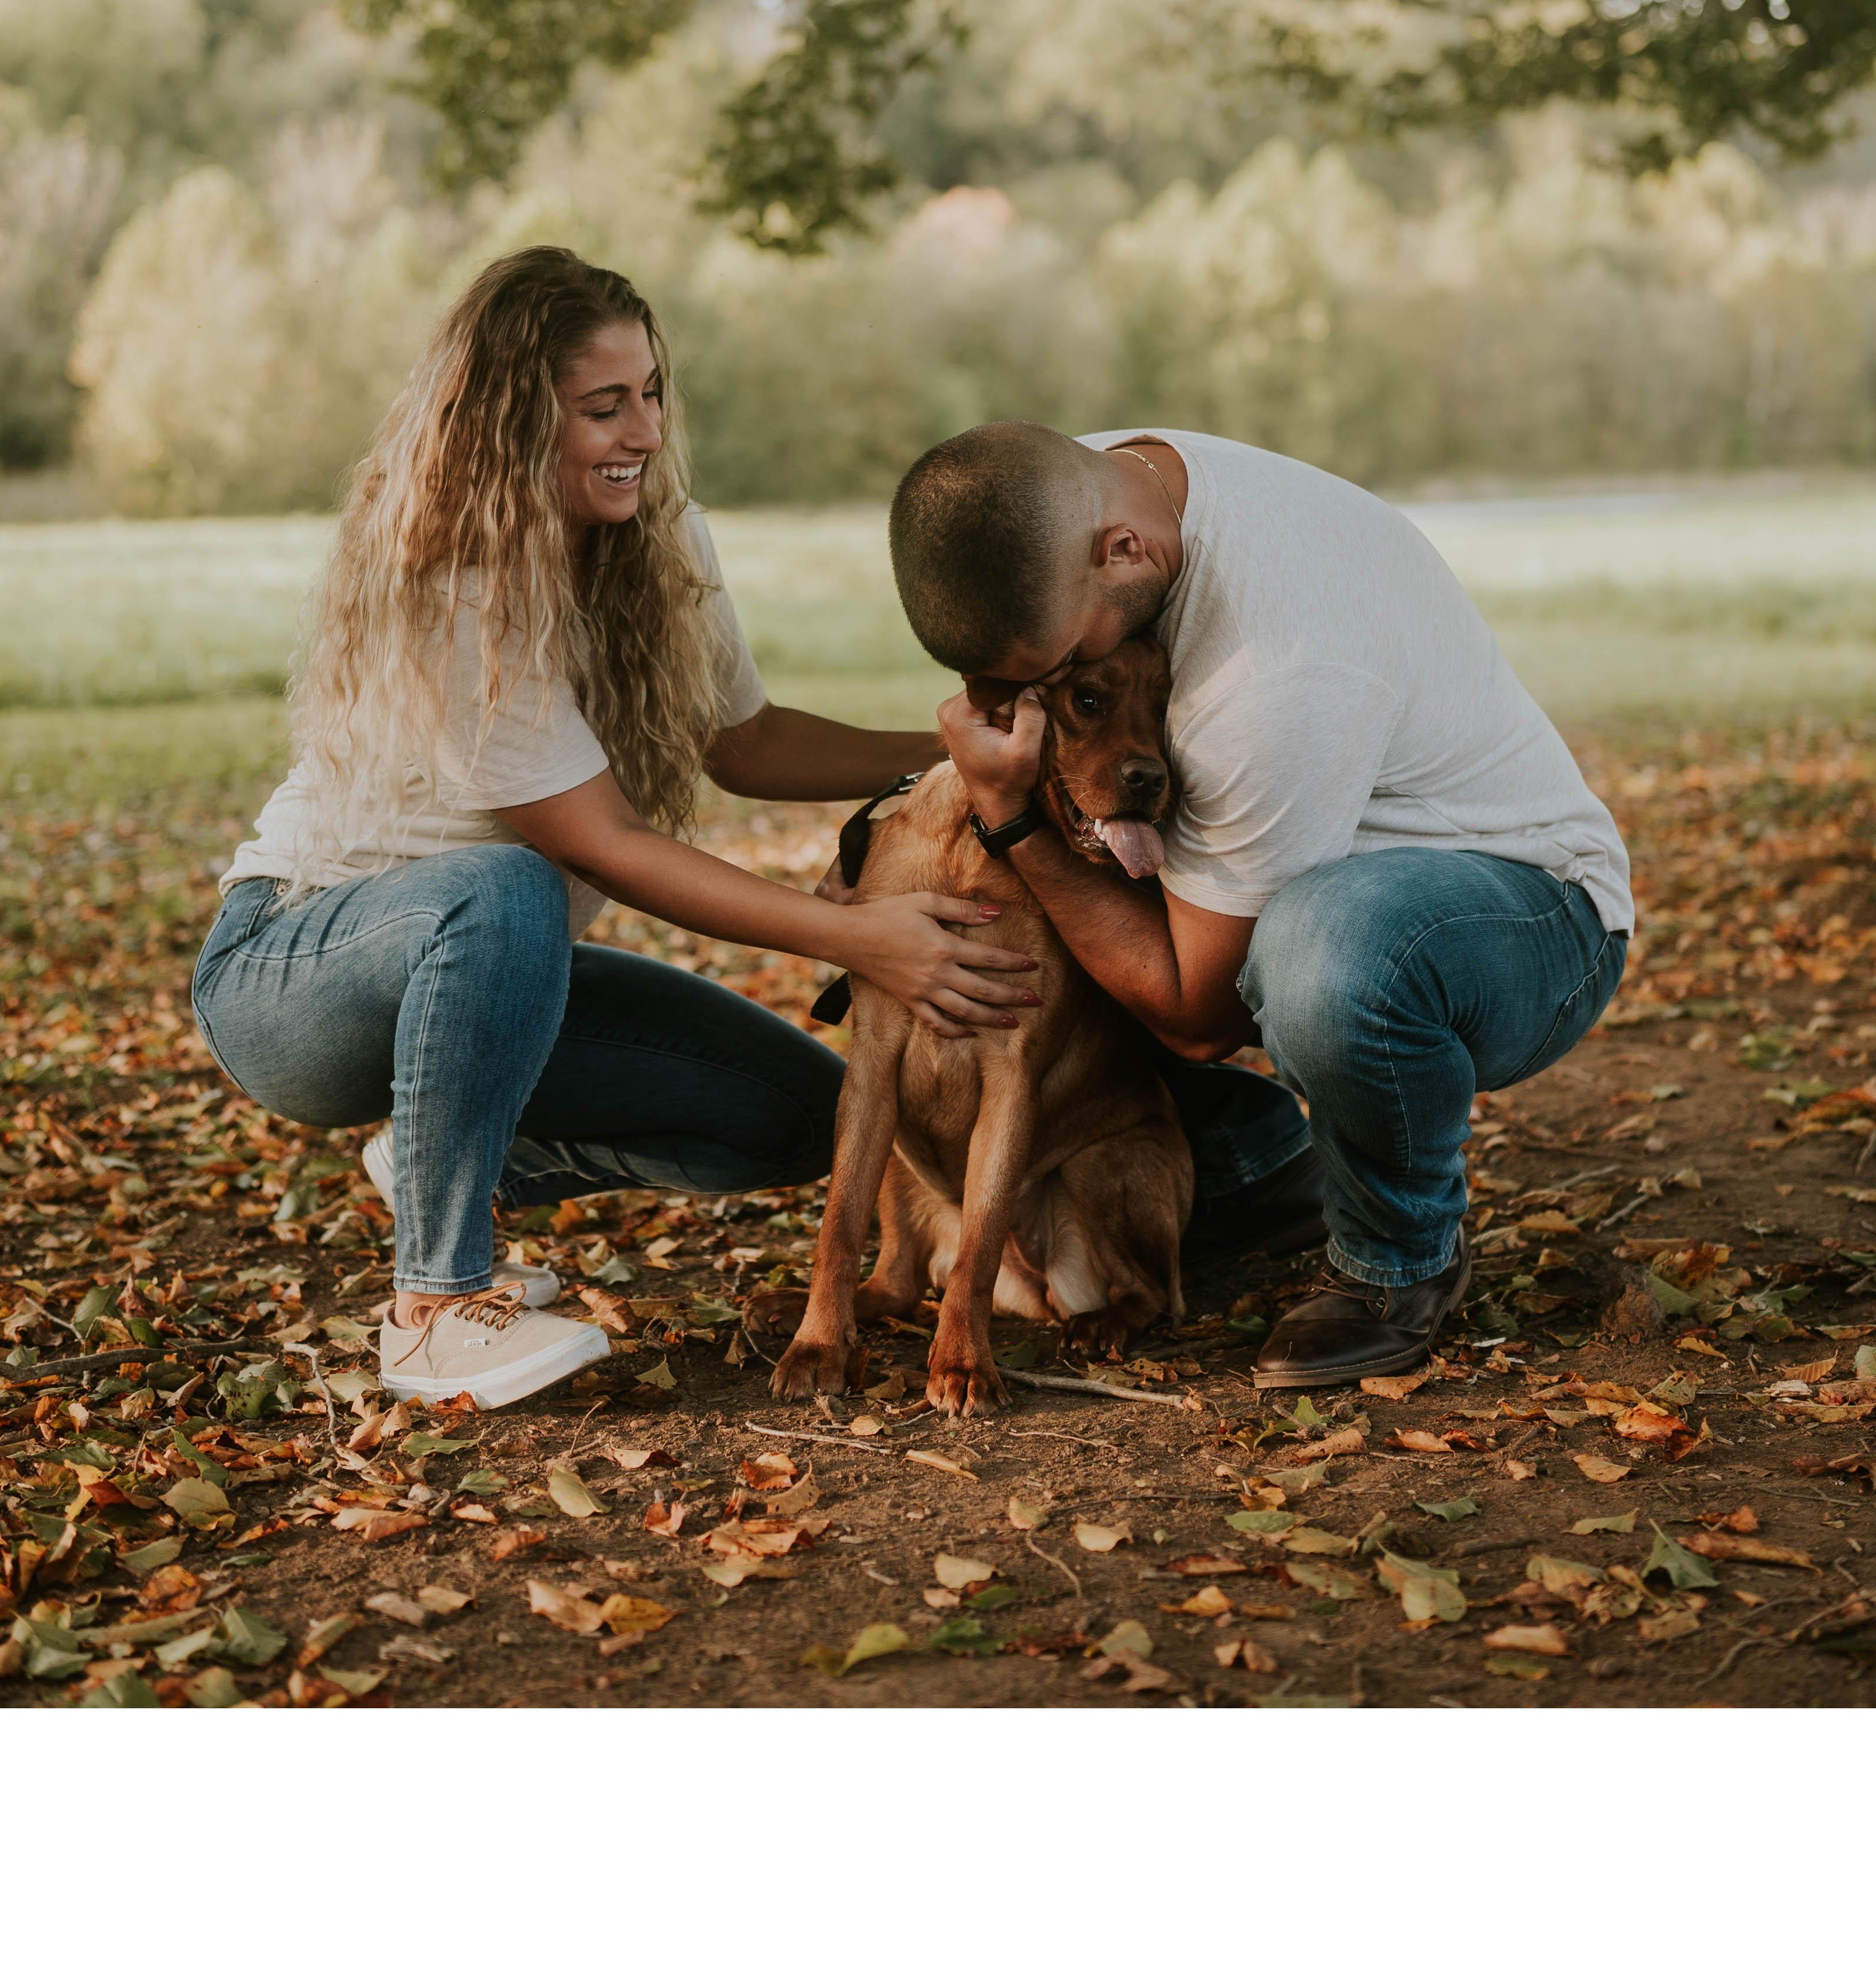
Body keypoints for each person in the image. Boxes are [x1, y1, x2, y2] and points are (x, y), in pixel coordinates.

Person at [189, 251, 1315, 1410]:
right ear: (512, 425)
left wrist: (965, 763)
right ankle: (433, 1309)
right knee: (504, 886)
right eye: (603, 407)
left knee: (794, 1119)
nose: (643, 431)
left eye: (651, 393)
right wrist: (860, 937)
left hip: (495, 985)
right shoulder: (460, 590)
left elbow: (750, 743)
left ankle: (452, 1155)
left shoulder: (659, 541)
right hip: (295, 977)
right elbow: (601, 844)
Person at [889, 421, 1633, 1390]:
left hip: (1519, 919)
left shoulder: (1275, 670)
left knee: (1325, 953)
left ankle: (1398, 1258)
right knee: (1023, 915)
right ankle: (1250, 1165)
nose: (1027, 700)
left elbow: (1198, 1017)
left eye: (1059, 665)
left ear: (1125, 554)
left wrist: (1013, 822)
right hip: (1305, 882)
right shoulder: (1066, 499)